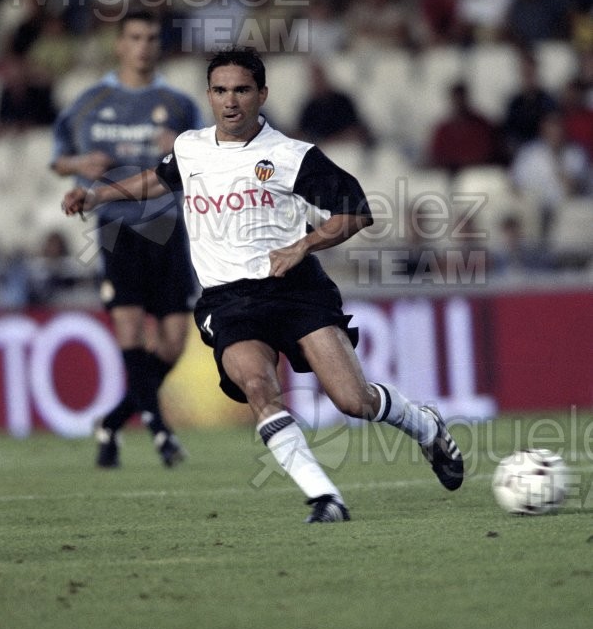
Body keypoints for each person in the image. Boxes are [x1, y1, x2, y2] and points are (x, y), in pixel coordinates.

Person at [62, 46, 463, 523]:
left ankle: (425, 426)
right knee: (258, 386)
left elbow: (356, 212)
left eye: (242, 90)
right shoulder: (191, 148)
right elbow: (160, 179)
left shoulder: (290, 156)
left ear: (262, 94)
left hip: (296, 289)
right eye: (220, 90)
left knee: (354, 400)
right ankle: (325, 498)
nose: (230, 101)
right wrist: (97, 195)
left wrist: (303, 246)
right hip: (228, 299)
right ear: (209, 95)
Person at [52, 10, 203, 468]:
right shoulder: (89, 102)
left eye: (152, 37)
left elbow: (202, 156)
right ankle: (158, 430)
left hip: (165, 225)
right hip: (117, 227)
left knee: (174, 342)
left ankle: (113, 421)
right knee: (131, 330)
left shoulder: (177, 104)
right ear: (119, 44)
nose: (144, 45)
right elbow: (58, 160)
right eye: (135, 37)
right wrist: (79, 165)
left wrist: (179, 142)